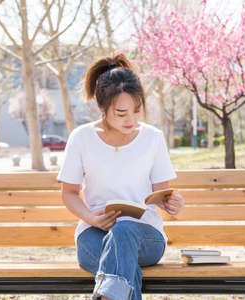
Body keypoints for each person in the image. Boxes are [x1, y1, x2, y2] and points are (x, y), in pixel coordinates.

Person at [56, 53, 185, 300]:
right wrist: (90, 218)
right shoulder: (82, 138)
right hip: (93, 235)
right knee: (123, 268)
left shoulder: (153, 138)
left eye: (137, 111)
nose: (132, 120)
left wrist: (172, 203)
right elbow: (69, 193)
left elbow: (161, 194)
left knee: (124, 231)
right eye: (122, 113)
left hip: (146, 236)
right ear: (101, 106)